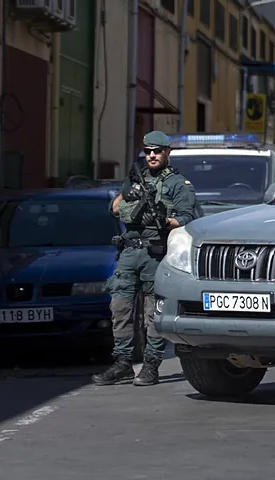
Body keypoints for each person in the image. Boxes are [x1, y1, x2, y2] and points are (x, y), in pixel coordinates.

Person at [92, 130, 198, 387]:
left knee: (153, 312)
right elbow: (115, 209)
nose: (152, 156)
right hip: (129, 252)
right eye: (148, 151)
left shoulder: (177, 184)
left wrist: (165, 221)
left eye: (157, 151)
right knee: (120, 308)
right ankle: (122, 363)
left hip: (156, 252)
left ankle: (151, 365)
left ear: (167, 153)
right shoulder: (135, 178)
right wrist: (129, 192)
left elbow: (187, 218)